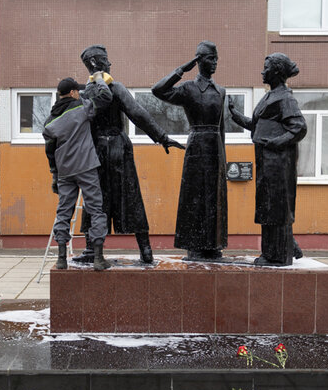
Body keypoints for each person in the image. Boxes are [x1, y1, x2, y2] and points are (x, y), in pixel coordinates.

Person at [76, 45, 184, 264]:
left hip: (96, 151)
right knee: (131, 196)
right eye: (106, 60)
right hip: (118, 147)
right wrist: (161, 136)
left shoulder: (84, 93)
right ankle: (145, 251)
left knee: (96, 199)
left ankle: (91, 249)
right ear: (97, 64)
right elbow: (137, 113)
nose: (110, 64)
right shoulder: (114, 87)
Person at [228, 53, 307, 266]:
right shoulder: (268, 96)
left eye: (266, 67)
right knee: (267, 206)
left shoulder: (286, 98)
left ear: (277, 71)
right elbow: (258, 126)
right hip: (266, 162)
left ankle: (278, 256)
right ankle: (281, 249)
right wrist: (235, 116)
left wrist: (275, 143)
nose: (263, 71)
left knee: (276, 207)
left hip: (278, 164)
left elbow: (299, 128)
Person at [152, 41, 228, 261]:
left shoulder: (220, 91)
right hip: (196, 145)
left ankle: (213, 245)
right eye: (210, 58)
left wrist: (223, 157)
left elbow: (222, 126)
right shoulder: (188, 88)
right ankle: (194, 244)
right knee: (194, 195)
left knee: (214, 196)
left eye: (216, 58)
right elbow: (158, 90)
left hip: (215, 147)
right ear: (199, 60)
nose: (214, 62)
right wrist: (181, 70)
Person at [44, 75, 113, 271]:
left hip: (64, 171)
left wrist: (54, 175)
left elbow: (50, 151)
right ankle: (98, 258)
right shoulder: (81, 107)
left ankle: (61, 259)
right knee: (96, 209)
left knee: (64, 211)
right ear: (73, 92)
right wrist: (99, 78)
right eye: (78, 91)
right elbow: (105, 97)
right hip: (85, 167)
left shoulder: (50, 120)